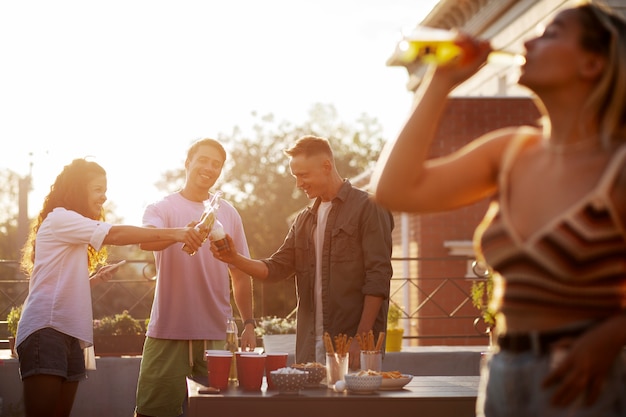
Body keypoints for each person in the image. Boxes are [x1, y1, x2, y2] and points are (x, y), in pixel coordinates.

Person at [370, 1, 626, 416]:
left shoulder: (616, 167)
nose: (529, 40)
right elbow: (394, 190)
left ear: (593, 64)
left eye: (552, 34)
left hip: (580, 380)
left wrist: (614, 333)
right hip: (504, 372)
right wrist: (440, 82)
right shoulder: (510, 152)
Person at [15, 158, 204, 417]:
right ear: (78, 189)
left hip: (68, 334)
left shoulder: (71, 226)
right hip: (46, 332)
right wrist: (178, 233)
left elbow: (55, 282)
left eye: (105, 190)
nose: (104, 197)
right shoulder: (60, 218)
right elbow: (115, 234)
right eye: (97, 189)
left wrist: (92, 280)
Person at [212, 135, 394, 369]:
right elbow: (276, 268)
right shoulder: (304, 220)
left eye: (303, 175)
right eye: (295, 176)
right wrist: (234, 258)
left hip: (353, 344)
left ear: (326, 166)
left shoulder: (369, 207)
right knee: (312, 407)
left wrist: (360, 339)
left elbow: (378, 277)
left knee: (355, 407)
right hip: (309, 345)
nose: (299, 184)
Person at [134, 138, 256, 417]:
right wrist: (179, 233)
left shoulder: (228, 213)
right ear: (188, 163)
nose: (209, 168)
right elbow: (145, 241)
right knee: (152, 413)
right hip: (168, 330)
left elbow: (239, 273)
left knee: (217, 412)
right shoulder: (161, 207)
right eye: (203, 160)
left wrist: (249, 322)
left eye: (216, 164)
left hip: (217, 335)